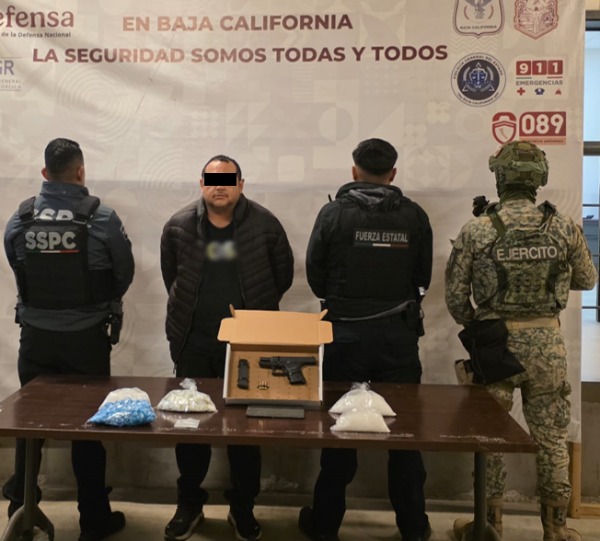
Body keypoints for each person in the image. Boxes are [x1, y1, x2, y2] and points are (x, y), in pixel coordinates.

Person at [445, 141, 597, 541]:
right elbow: (587, 279)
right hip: (547, 344)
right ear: (539, 179)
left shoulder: (478, 229)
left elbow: (456, 299)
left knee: (490, 438)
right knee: (552, 438)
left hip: (494, 347)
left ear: (499, 177)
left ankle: (488, 525)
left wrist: (482, 325)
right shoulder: (562, 226)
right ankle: (556, 528)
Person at [301, 138, 433, 541]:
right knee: (405, 437)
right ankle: (414, 528)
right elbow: (422, 278)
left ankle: (324, 526)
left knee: (339, 434)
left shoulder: (333, 214)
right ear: (393, 173)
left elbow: (315, 275)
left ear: (354, 170)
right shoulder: (414, 216)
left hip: (344, 338)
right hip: (398, 339)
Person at [3, 138, 135, 541]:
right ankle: (93, 521)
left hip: (36, 340)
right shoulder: (102, 218)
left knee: (30, 430)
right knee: (88, 431)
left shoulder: (20, 218)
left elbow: (17, 265)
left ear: (45, 173)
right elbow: (123, 273)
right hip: (86, 342)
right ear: (80, 172)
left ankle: (19, 514)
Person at [160, 154, 294, 541]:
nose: (220, 187)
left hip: (248, 344)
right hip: (194, 343)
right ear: (202, 184)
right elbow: (172, 277)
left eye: (228, 180)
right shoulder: (179, 226)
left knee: (246, 430)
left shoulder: (266, 225)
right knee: (191, 427)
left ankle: (243, 507)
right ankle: (189, 503)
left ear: (241, 184)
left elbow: (281, 277)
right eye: (212, 180)